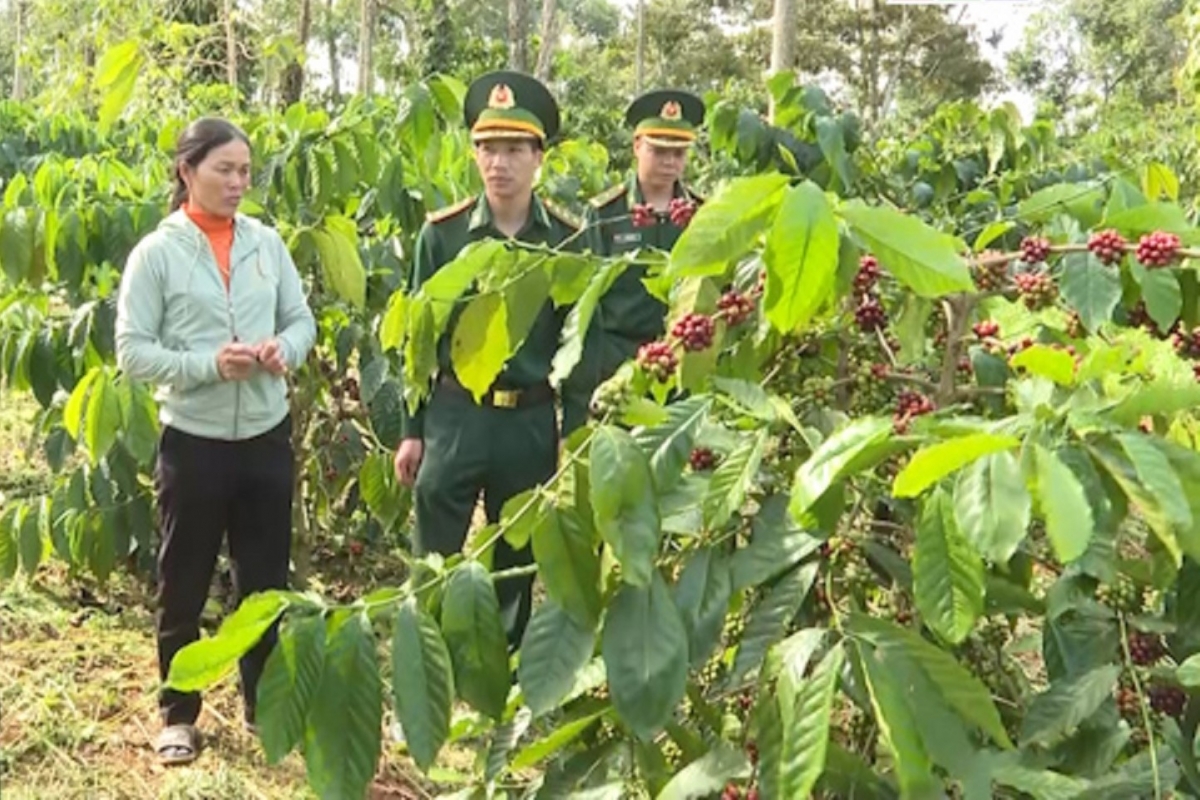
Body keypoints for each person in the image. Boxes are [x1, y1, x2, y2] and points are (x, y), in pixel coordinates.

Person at [114, 117, 316, 766]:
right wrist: (207, 365)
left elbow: (300, 319)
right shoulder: (158, 253)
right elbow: (132, 351)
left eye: (245, 171)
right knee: (185, 578)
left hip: (264, 436)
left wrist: (282, 349)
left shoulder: (265, 244)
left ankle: (263, 704)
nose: (237, 182)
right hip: (194, 442)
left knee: (262, 581)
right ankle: (179, 713)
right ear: (186, 171)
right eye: (224, 169)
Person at [392, 71, 584, 651]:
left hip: (527, 421)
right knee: (436, 556)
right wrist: (411, 431)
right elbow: (418, 340)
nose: (498, 163)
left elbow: (578, 343)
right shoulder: (442, 236)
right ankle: (431, 666)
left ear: (537, 158)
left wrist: (569, 436)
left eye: (513, 150)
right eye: (487, 149)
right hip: (455, 416)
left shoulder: (568, 239)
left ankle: (502, 676)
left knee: (514, 557)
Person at [561, 89, 707, 436]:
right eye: (659, 150)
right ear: (637, 147)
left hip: (679, 363)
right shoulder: (606, 214)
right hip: (617, 368)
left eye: (678, 152)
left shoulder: (701, 215)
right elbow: (585, 307)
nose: (670, 162)